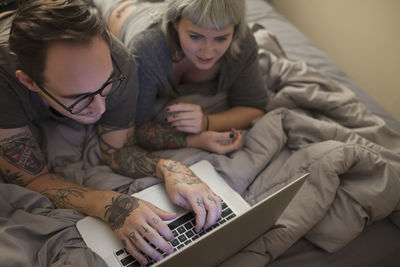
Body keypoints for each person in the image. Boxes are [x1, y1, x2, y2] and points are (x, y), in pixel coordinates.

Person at [0, 0, 222, 265]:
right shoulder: (4, 82)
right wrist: (108, 205)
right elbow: (31, 178)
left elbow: (117, 152)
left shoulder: (120, 63)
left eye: (106, 86)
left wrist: (171, 168)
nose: (101, 107)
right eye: (80, 97)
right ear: (29, 82)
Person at [92, 0, 267, 155]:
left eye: (221, 39)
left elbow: (254, 106)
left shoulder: (242, 42)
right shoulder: (147, 50)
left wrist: (207, 122)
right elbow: (136, 128)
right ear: (175, 23)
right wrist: (194, 140)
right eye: (195, 37)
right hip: (123, 11)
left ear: (235, 30)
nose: (207, 51)